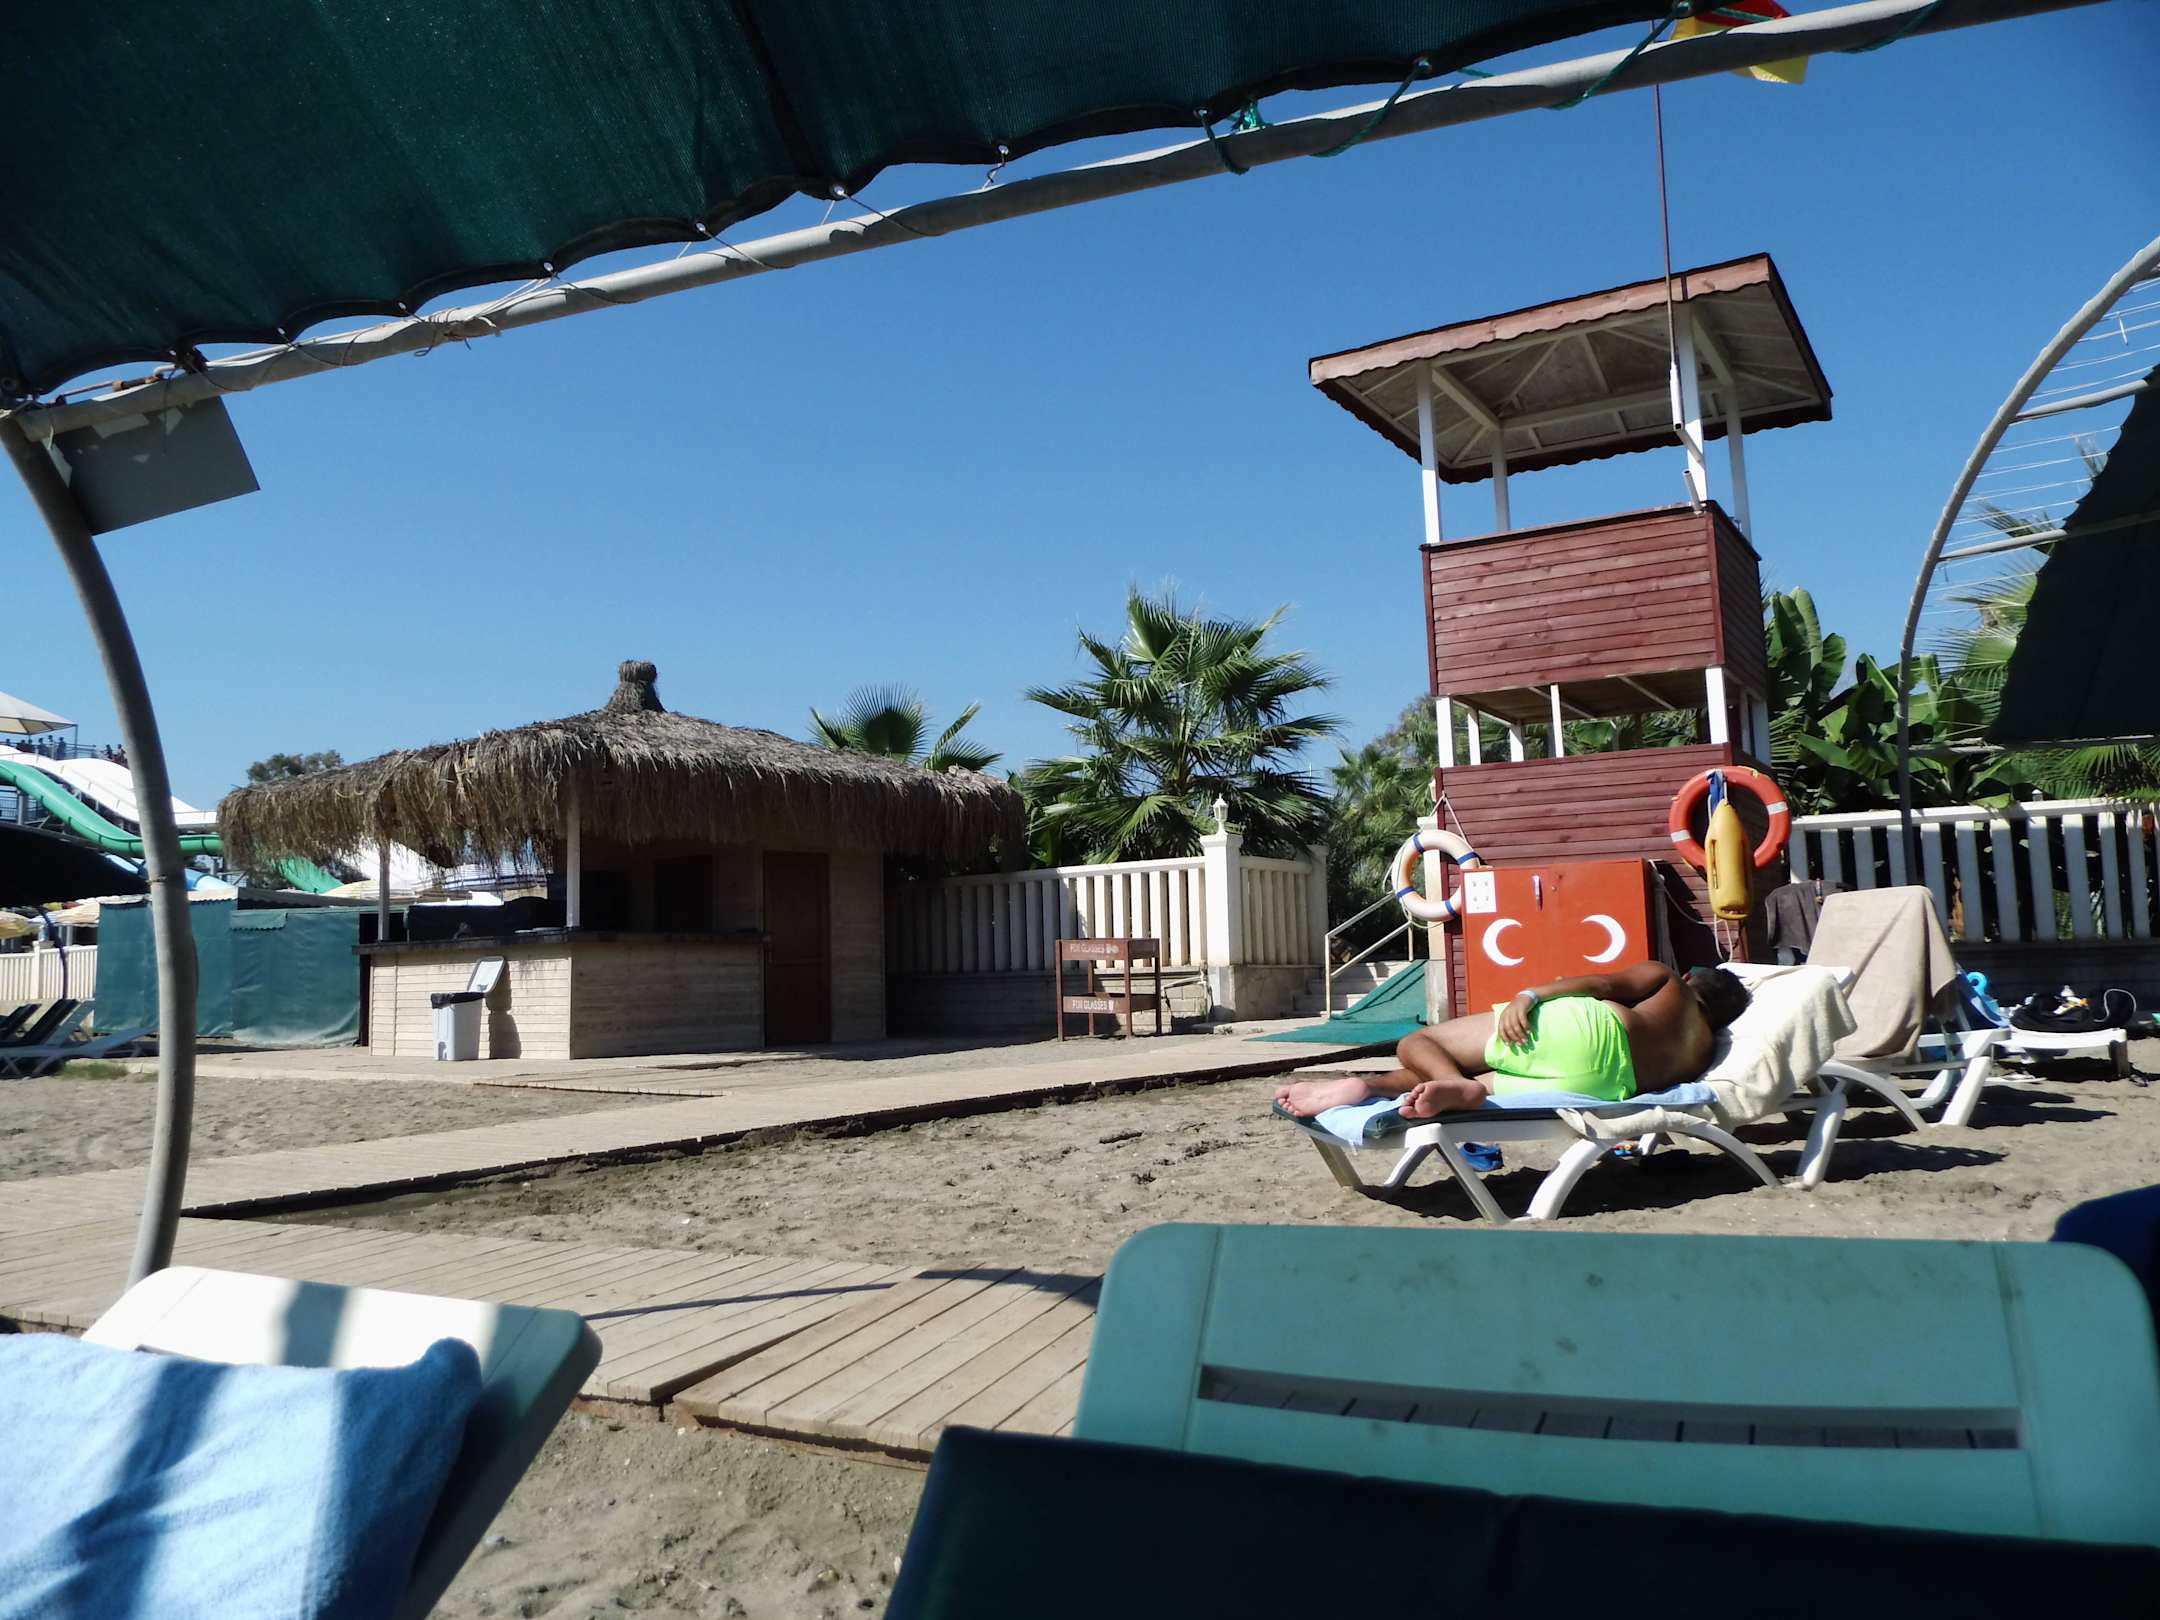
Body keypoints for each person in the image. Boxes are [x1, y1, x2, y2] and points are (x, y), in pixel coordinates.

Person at [1276, 962, 1752, 1121]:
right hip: (1603, 1085)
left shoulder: (1669, 981)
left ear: (1691, 979)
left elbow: (1605, 985)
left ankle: (1454, 1086)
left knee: (1418, 1043)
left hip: (1592, 1030)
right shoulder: (1703, 1050)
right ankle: (1369, 1087)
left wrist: (1530, 995)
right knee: (1454, 1076)